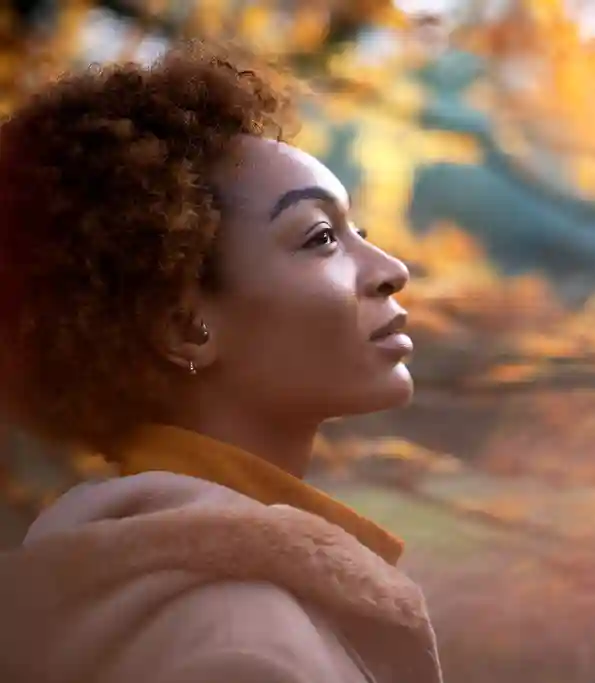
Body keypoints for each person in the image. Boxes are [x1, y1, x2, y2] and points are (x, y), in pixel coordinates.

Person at [0, 40, 441, 683]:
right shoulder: (241, 647)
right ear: (185, 327)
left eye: (360, 236)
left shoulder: (118, 583)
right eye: (321, 238)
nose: (391, 271)